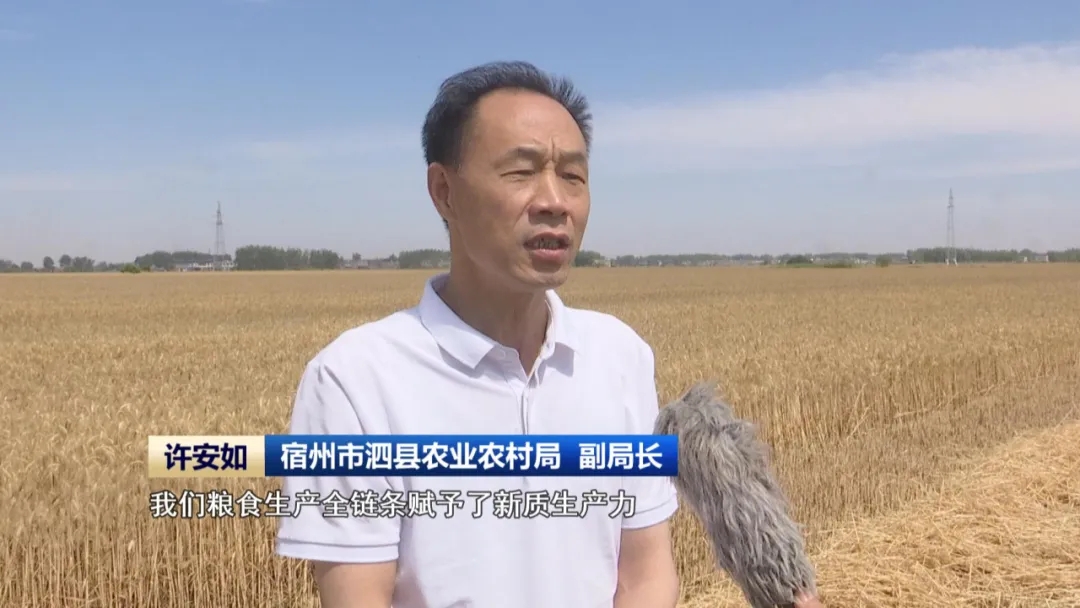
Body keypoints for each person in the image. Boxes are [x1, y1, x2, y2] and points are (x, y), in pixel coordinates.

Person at [275, 60, 821, 608]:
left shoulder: (619, 355)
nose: (555, 202)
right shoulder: (353, 380)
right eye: (521, 171)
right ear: (444, 191)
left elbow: (644, 576)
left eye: (573, 176)